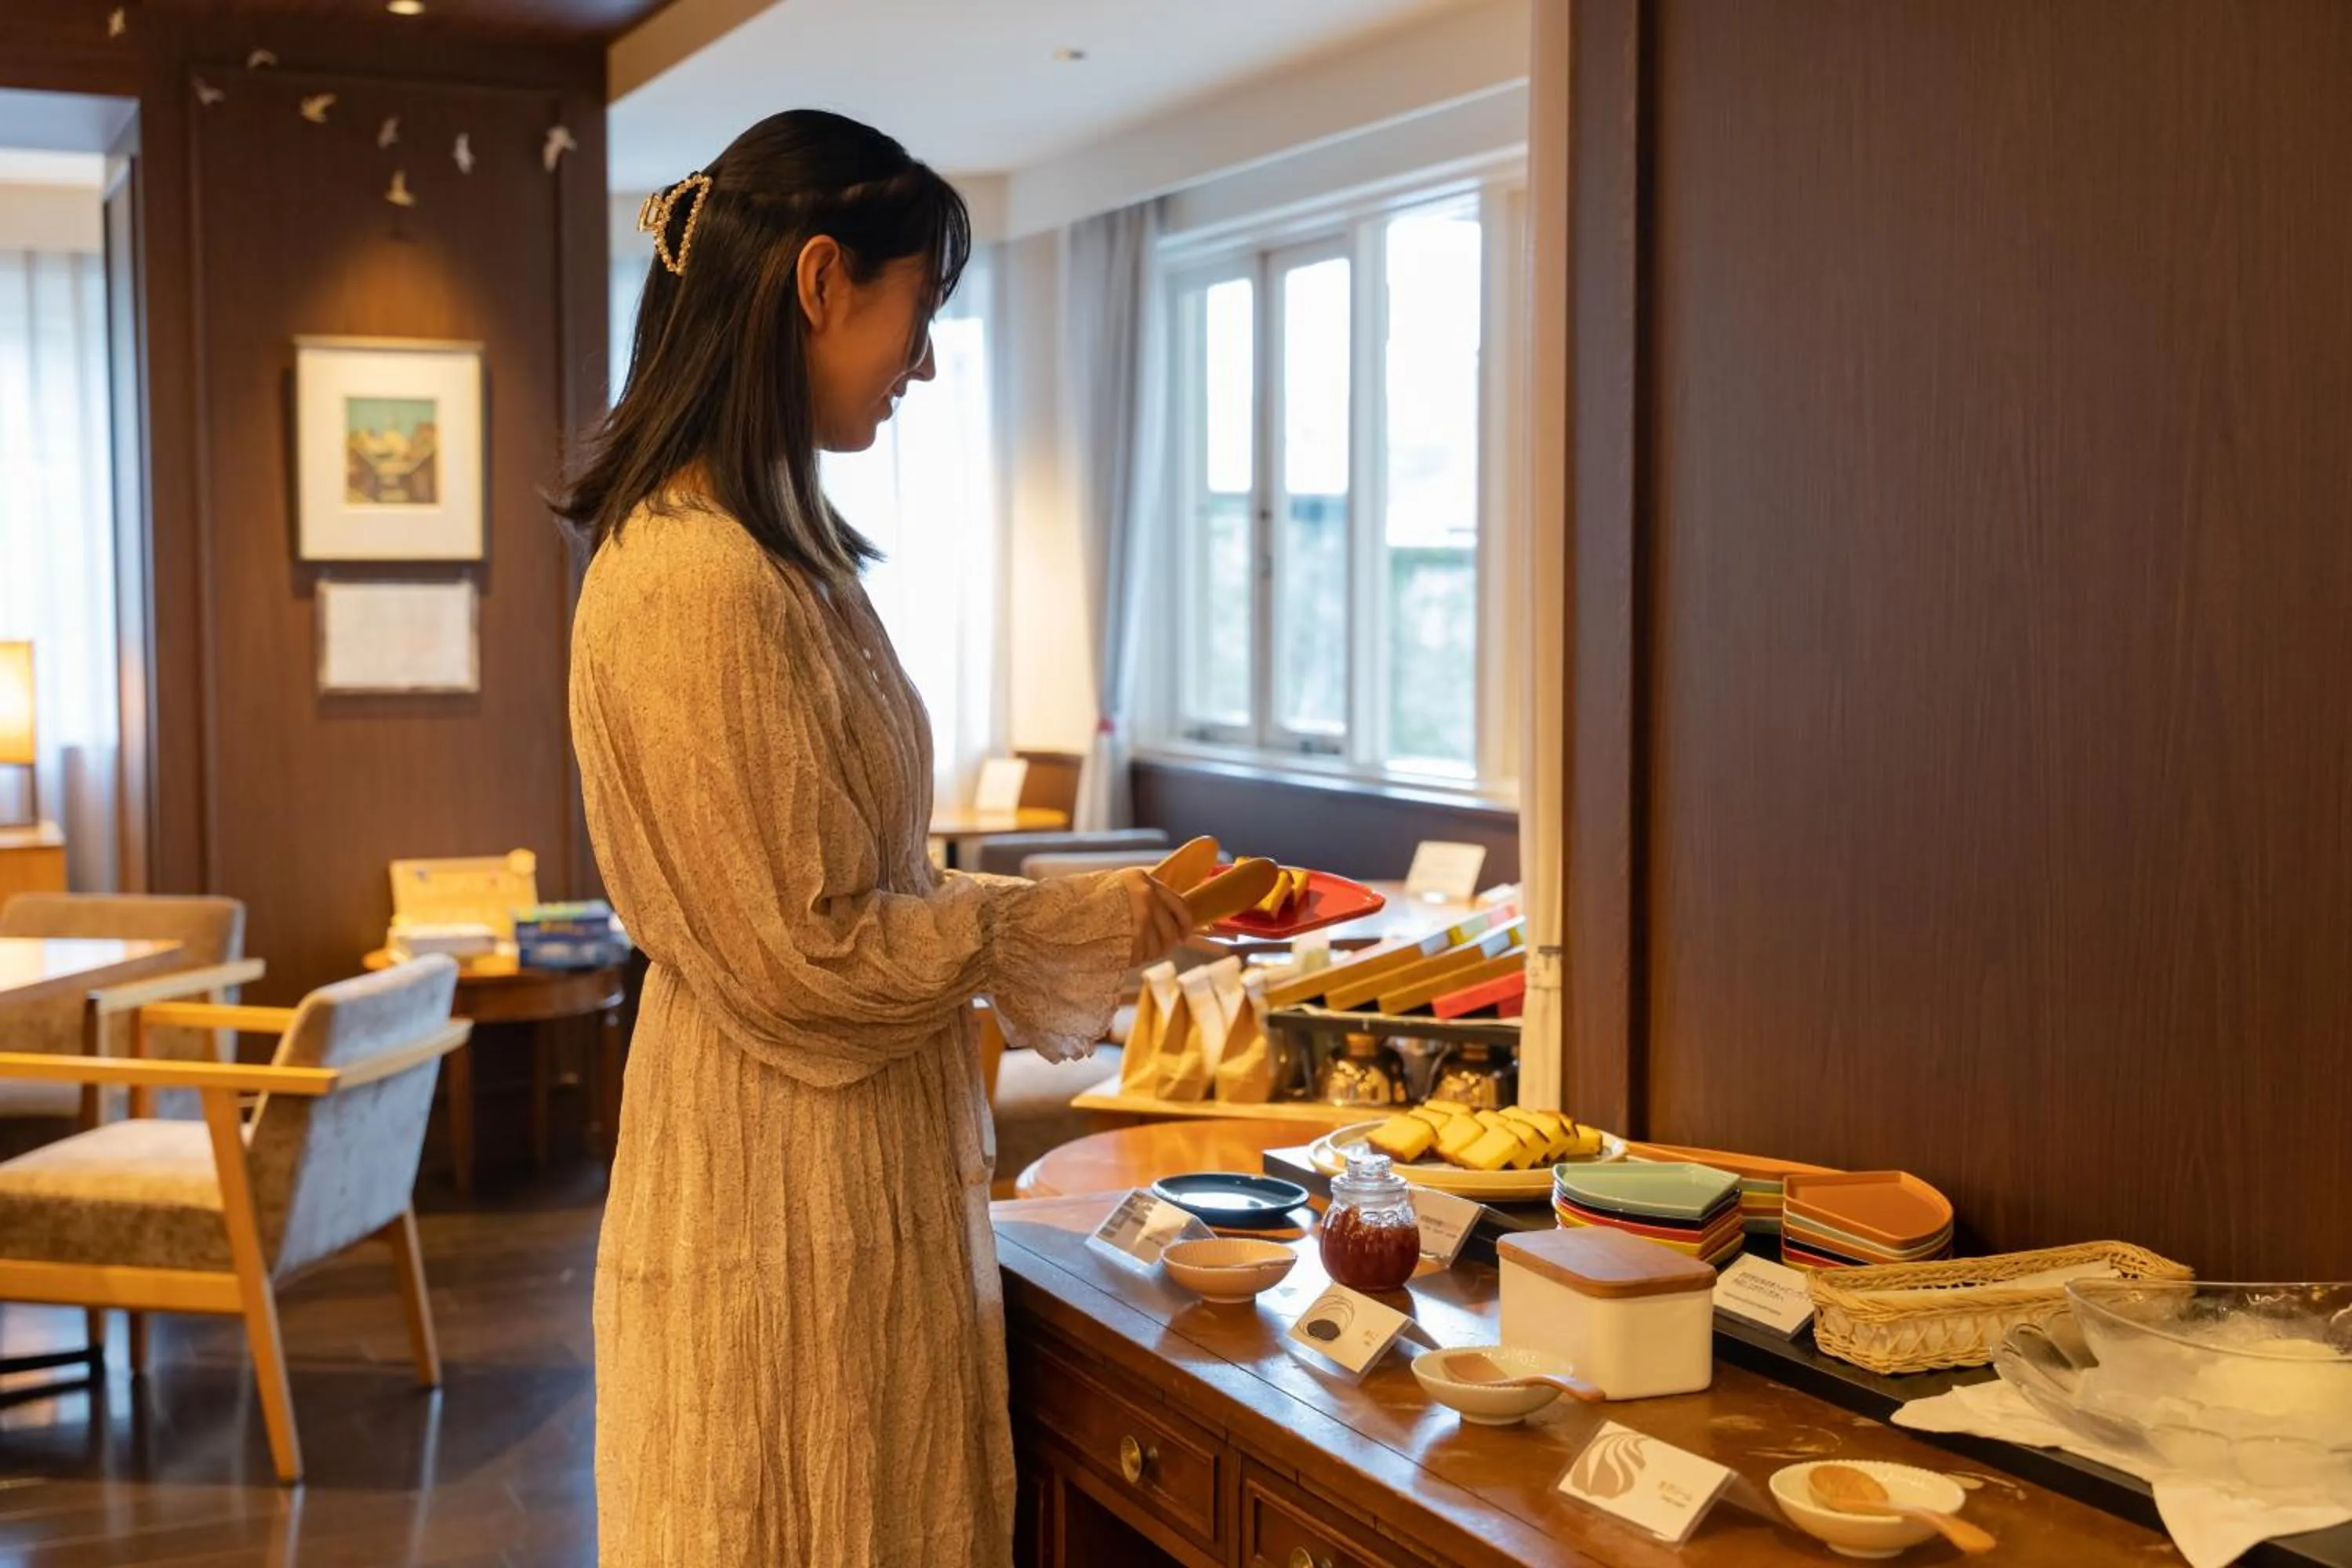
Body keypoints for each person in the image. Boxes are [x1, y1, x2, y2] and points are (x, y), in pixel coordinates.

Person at [557, 110, 1192, 1566]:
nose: (924, 362)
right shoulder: (695, 584)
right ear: (822, 280)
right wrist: (1073, 920)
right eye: (921, 312)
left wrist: (1120, 911)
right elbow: (809, 954)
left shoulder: (784, 559)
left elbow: (865, 888)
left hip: (852, 1168)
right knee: (799, 1509)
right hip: (778, 1173)